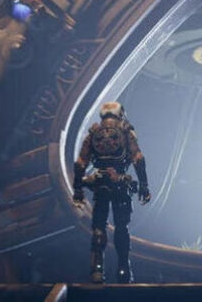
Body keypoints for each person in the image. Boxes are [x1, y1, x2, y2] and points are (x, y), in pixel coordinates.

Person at [72, 101, 151, 283]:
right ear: (120, 114)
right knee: (121, 228)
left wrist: (78, 190)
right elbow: (138, 158)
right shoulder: (125, 130)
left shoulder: (94, 132)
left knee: (99, 226)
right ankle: (123, 269)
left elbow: (80, 163)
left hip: (100, 184)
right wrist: (144, 185)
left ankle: (97, 270)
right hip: (120, 185)